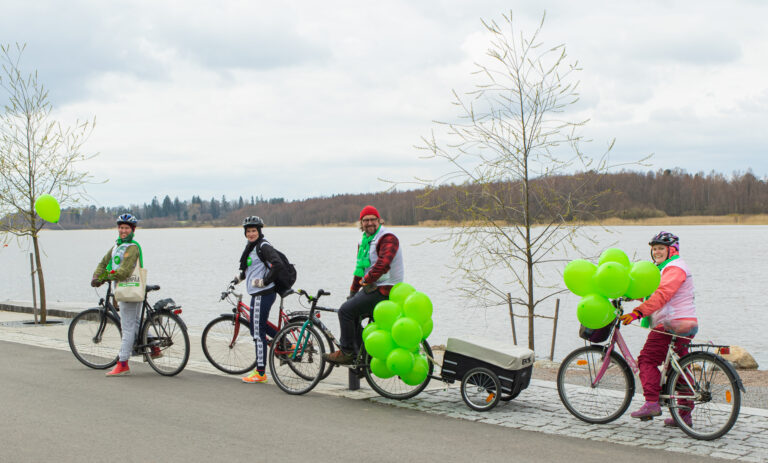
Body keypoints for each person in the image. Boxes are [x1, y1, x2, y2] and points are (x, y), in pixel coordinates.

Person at [619, 231, 698, 427]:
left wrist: (638, 313)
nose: (656, 252)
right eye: (654, 249)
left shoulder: (674, 268)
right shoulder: (665, 269)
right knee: (676, 369)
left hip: (671, 324)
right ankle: (684, 416)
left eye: (661, 248)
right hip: (685, 323)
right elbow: (652, 293)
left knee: (647, 360)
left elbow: (662, 294)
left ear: (672, 250)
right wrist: (628, 295)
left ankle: (651, 402)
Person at [323, 205, 404, 365]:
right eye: (365, 220)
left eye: (373, 219)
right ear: (361, 223)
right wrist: (353, 291)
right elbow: (359, 269)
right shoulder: (365, 242)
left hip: (387, 289)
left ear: (379, 220)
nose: (369, 223)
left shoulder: (388, 238)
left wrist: (366, 280)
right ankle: (363, 356)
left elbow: (383, 264)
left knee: (345, 311)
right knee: (351, 310)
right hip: (374, 288)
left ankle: (347, 352)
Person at [91, 213, 145, 377]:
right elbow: (103, 262)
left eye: (126, 228)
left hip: (129, 289)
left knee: (127, 327)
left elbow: (125, 271)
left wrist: (105, 277)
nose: (123, 230)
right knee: (135, 322)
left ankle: (122, 364)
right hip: (123, 289)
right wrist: (96, 276)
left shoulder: (132, 247)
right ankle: (154, 349)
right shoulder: (116, 246)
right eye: (121, 227)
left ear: (132, 230)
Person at [231, 216, 283, 383]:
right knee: (258, 324)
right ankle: (284, 341)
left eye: (254, 231)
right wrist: (237, 280)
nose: (251, 233)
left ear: (259, 231)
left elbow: (277, 264)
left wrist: (265, 281)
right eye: (248, 231)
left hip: (263, 293)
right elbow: (249, 269)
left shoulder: (263, 245)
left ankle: (260, 373)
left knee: (257, 333)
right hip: (258, 294)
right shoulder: (251, 247)